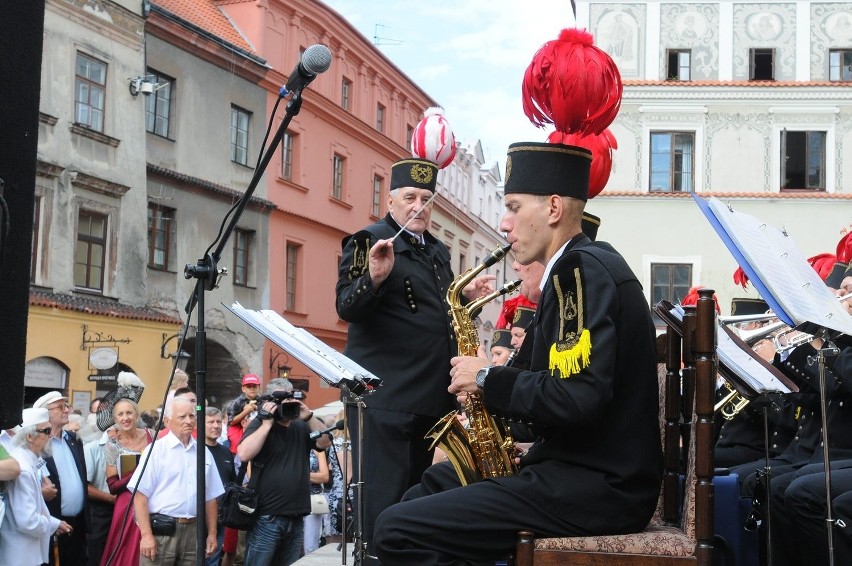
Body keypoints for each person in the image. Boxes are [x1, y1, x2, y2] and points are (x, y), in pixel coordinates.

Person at [372, 141, 663, 564]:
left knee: (396, 530)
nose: (503, 223)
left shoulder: (578, 270)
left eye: (512, 207)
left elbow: (579, 396)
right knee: (434, 482)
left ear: (553, 209)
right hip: (582, 475)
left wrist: (488, 379)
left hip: (597, 487)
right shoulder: (577, 268)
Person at [335, 154, 494, 561]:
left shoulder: (439, 251)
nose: (418, 206)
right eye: (409, 196)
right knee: (383, 501)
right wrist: (373, 278)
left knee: (415, 501)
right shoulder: (369, 240)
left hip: (428, 398)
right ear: (390, 200)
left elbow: (440, 314)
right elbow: (346, 307)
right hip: (386, 399)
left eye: (426, 198)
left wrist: (467, 299)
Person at [236, 378, 332, 566]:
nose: (286, 405)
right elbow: (244, 453)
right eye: (282, 400)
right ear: (270, 401)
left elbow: (325, 442)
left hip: (296, 517)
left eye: (290, 399)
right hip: (267, 516)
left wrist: (309, 416)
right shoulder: (260, 423)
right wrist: (266, 424)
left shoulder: (301, 425)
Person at [130, 396, 223, 565]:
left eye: (192, 416)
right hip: (162, 532)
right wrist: (146, 535)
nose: (188, 421)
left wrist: (212, 533)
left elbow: (211, 497)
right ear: (166, 421)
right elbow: (140, 495)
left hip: (194, 531)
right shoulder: (156, 450)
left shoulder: (203, 452)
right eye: (182, 417)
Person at [0, 408, 72, 566]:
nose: (51, 435)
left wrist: (55, 523)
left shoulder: (26, 460)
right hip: (19, 557)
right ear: (29, 436)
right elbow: (28, 521)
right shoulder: (23, 468)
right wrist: (51, 524)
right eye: (46, 430)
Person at [34, 390, 89, 566]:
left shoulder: (73, 439)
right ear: (45, 413)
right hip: (53, 524)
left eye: (67, 406)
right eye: (60, 407)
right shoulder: (38, 443)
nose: (66, 410)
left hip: (77, 525)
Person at [101, 398, 154, 566]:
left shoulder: (152, 435)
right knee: (124, 550)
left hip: (153, 498)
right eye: (120, 414)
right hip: (126, 503)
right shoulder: (112, 445)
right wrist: (137, 472)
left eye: (129, 412)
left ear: (136, 414)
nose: (125, 418)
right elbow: (112, 486)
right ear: (115, 419)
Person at [204, 407, 236, 566]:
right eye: (210, 422)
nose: (215, 426)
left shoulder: (226, 452)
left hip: (221, 519)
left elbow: (232, 483)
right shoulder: (195, 451)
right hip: (198, 518)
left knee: (213, 561)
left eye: (218, 422)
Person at [303, 445, 330, 555]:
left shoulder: (317, 449)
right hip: (290, 499)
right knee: (292, 546)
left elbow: (324, 477)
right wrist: (314, 476)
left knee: (310, 547)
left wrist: (299, 474)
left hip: (313, 501)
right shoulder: (290, 446)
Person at [227, 373, 261, 454]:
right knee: (239, 450)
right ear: (243, 388)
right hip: (238, 429)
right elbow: (231, 421)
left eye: (254, 386)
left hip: (257, 428)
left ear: (259, 387)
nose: (252, 389)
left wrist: (257, 409)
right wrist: (246, 411)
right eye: (249, 386)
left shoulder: (262, 401)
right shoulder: (237, 402)